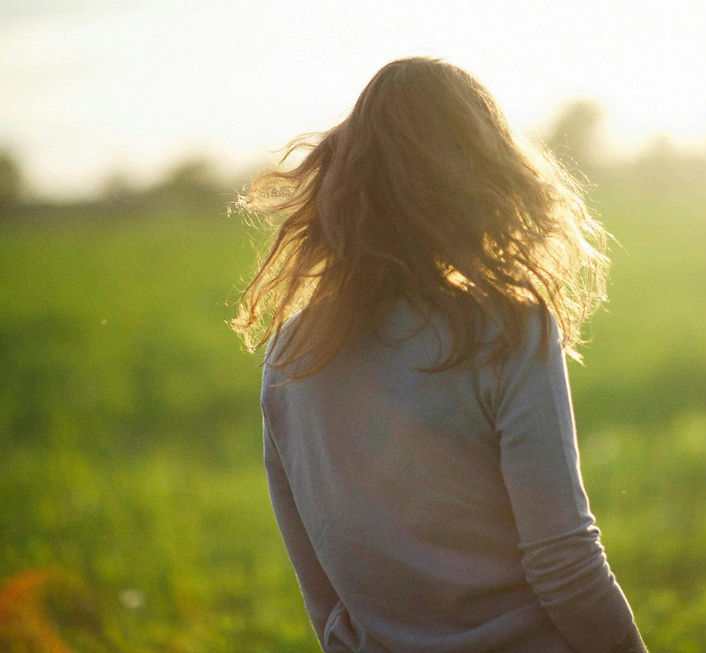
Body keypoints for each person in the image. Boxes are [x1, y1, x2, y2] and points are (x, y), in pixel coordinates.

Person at [232, 57, 647, 652]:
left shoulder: (290, 357)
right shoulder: (506, 327)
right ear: (483, 175)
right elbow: (563, 561)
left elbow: (324, 597)